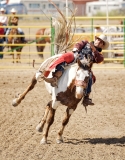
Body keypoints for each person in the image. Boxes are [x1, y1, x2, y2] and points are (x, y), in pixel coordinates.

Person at [41, 34, 109, 106]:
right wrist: (76, 50)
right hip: (76, 60)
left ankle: (86, 97)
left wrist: (94, 50)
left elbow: (99, 59)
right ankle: (55, 77)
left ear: (102, 45)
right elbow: (79, 44)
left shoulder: (99, 55)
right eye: (98, 39)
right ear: (96, 39)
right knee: (65, 60)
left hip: (86, 68)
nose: (98, 42)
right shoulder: (86, 43)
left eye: (101, 42)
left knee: (91, 78)